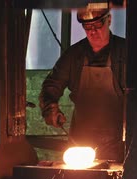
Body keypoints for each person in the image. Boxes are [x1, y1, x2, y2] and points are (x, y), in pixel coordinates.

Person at [39, 4, 126, 161]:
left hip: (118, 142)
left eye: (98, 24)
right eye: (87, 26)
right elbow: (52, 85)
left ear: (109, 20)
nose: (92, 31)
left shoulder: (125, 52)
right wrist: (50, 107)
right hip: (80, 142)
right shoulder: (74, 56)